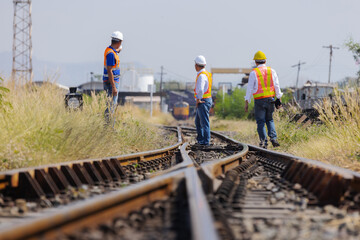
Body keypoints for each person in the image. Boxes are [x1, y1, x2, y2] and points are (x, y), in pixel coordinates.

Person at [244, 51, 283, 148]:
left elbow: (249, 89)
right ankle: (273, 138)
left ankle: (263, 142)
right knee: (269, 120)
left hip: (259, 101)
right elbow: (277, 86)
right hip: (270, 99)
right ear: (265, 60)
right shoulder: (272, 71)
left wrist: (247, 102)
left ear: (256, 62)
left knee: (261, 121)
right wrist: (279, 98)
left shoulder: (254, 73)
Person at [103, 31, 123, 123]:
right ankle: (110, 127)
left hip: (109, 81)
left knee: (110, 105)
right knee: (111, 106)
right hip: (112, 82)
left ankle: (108, 125)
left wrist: (119, 50)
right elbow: (110, 70)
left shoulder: (110, 51)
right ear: (119, 42)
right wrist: (114, 87)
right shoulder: (111, 54)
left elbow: (116, 51)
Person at [194, 55, 213, 146]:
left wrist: (198, 99)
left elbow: (201, 90)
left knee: (204, 122)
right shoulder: (207, 74)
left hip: (203, 101)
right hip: (206, 99)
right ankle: (201, 140)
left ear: (197, 65)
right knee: (198, 121)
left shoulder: (201, 76)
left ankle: (205, 142)